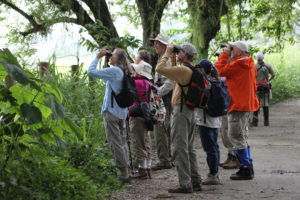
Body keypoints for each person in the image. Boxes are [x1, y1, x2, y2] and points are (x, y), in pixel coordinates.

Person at [156, 43, 202, 193]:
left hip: (181, 112)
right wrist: (174, 57)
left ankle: (185, 184)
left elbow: (159, 69)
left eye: (180, 51)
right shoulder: (190, 69)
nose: (177, 52)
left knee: (178, 147)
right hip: (189, 111)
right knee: (189, 148)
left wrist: (167, 53)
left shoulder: (182, 70)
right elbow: (174, 73)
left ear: (185, 54)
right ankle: (195, 181)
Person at [215, 41, 259, 180]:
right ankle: (248, 165)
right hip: (245, 105)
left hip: (237, 105)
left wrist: (224, 54)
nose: (231, 51)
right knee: (243, 136)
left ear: (239, 51)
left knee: (236, 136)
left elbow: (217, 70)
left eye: (233, 49)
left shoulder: (238, 64)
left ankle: (245, 168)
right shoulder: (249, 64)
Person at [87, 48, 133, 183]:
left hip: (112, 112)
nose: (110, 55)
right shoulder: (123, 71)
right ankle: (126, 171)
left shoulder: (114, 71)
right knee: (122, 142)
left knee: (115, 143)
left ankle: (123, 174)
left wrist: (98, 56)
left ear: (118, 59)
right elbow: (105, 81)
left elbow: (91, 72)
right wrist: (106, 61)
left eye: (112, 55)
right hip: (121, 112)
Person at [194, 59, 222, 185]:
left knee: (209, 148)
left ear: (203, 69)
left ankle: (213, 175)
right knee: (214, 147)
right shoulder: (217, 80)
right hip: (215, 119)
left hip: (205, 119)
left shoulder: (205, 83)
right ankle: (215, 173)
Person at [150, 34, 174, 170]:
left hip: (164, 99)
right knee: (165, 129)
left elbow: (170, 82)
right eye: (155, 43)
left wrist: (157, 93)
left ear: (165, 46)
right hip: (163, 98)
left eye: (158, 43)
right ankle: (167, 157)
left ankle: (164, 160)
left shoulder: (168, 61)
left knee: (161, 129)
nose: (155, 46)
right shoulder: (163, 59)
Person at [129, 50, 153, 179]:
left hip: (137, 115)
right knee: (146, 141)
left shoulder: (136, 83)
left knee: (138, 142)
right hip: (147, 115)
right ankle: (148, 168)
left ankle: (142, 170)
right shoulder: (148, 83)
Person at [252, 51, 275, 126]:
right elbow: (273, 75)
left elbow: (251, 77)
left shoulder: (254, 67)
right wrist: (268, 80)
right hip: (265, 87)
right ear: (263, 58)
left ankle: (255, 122)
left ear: (256, 58)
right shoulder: (268, 66)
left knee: (256, 104)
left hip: (256, 87)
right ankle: (266, 122)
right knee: (265, 104)